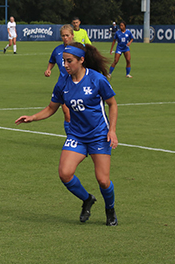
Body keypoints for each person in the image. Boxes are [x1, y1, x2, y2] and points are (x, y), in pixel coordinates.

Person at [15, 42, 118, 226]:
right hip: (76, 135)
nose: (65, 65)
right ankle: (87, 199)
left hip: (98, 135)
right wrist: (32, 117)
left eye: (69, 61)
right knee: (65, 173)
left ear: (81, 60)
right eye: (63, 61)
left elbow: (113, 104)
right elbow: (51, 108)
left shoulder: (97, 79)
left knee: (103, 180)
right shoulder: (63, 82)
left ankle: (110, 209)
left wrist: (112, 130)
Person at [44, 24, 75, 133]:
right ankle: (70, 139)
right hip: (63, 85)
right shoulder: (58, 50)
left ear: (72, 35)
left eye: (67, 35)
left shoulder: (79, 49)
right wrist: (49, 69)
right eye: (63, 35)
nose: (65, 38)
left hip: (78, 85)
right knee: (67, 114)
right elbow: (52, 60)